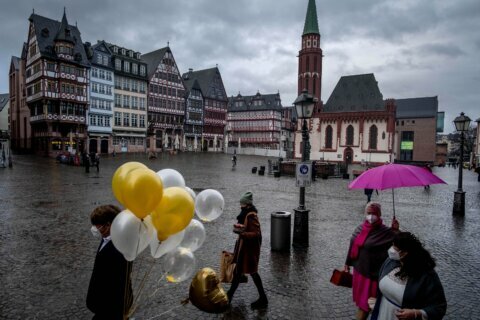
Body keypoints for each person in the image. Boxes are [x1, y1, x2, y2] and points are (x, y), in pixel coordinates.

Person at [370, 232, 447, 320]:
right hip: (382, 314)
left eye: (395, 248)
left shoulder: (427, 274)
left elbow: (439, 307)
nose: (391, 250)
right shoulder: (390, 261)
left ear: (404, 253)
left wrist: (416, 313)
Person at [344, 202, 399, 320]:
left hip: (372, 276)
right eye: (369, 213)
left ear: (379, 214)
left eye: (374, 213)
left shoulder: (386, 232)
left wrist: (396, 231)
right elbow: (353, 243)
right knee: (363, 304)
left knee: (365, 307)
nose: (371, 216)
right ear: (365, 213)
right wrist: (347, 263)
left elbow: (400, 244)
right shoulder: (360, 228)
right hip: (359, 273)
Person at [86, 205, 133, 319]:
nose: (96, 229)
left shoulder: (120, 247)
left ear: (109, 225)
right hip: (103, 304)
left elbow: (116, 281)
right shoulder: (106, 236)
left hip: (111, 306)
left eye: (98, 226)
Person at [227, 191, 268, 309]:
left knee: (253, 272)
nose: (240, 205)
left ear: (247, 204)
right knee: (237, 272)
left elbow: (256, 233)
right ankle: (229, 296)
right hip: (244, 249)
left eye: (242, 203)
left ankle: (263, 298)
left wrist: (243, 234)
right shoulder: (245, 214)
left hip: (249, 251)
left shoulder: (251, 216)